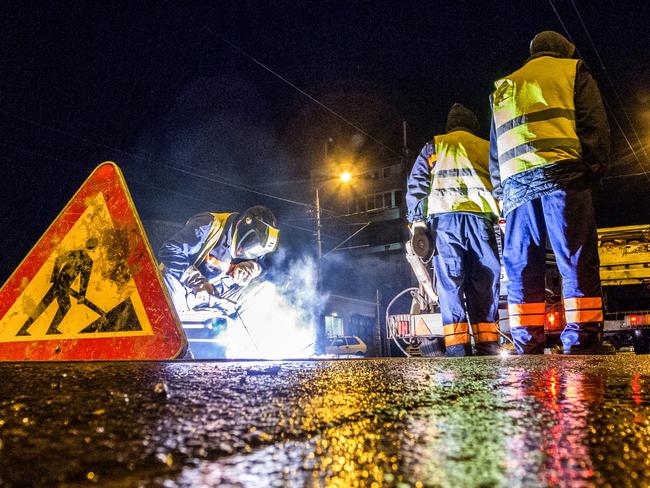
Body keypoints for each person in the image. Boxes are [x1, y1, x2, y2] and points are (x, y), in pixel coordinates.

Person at [489, 31, 611, 354]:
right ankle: (582, 340)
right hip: (564, 177)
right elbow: (594, 127)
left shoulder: (505, 88)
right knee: (575, 257)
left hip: (516, 190)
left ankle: (527, 342)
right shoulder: (572, 72)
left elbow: (495, 151)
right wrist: (592, 172)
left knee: (521, 266)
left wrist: (501, 193)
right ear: (563, 50)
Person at [406, 103, 502, 356]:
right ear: (473, 125)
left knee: (450, 285)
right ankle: (487, 344)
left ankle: (457, 348)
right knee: (485, 282)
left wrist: (417, 223)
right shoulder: (486, 146)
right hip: (481, 221)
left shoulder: (434, 146)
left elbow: (416, 185)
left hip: (445, 224)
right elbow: (501, 181)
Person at [158, 206, 279, 320]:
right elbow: (170, 250)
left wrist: (252, 268)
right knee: (169, 285)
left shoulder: (258, 248)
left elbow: (264, 264)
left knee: (265, 289)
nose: (244, 253)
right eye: (248, 246)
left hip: (213, 299)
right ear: (241, 226)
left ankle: (241, 339)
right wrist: (197, 281)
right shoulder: (208, 224)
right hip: (180, 291)